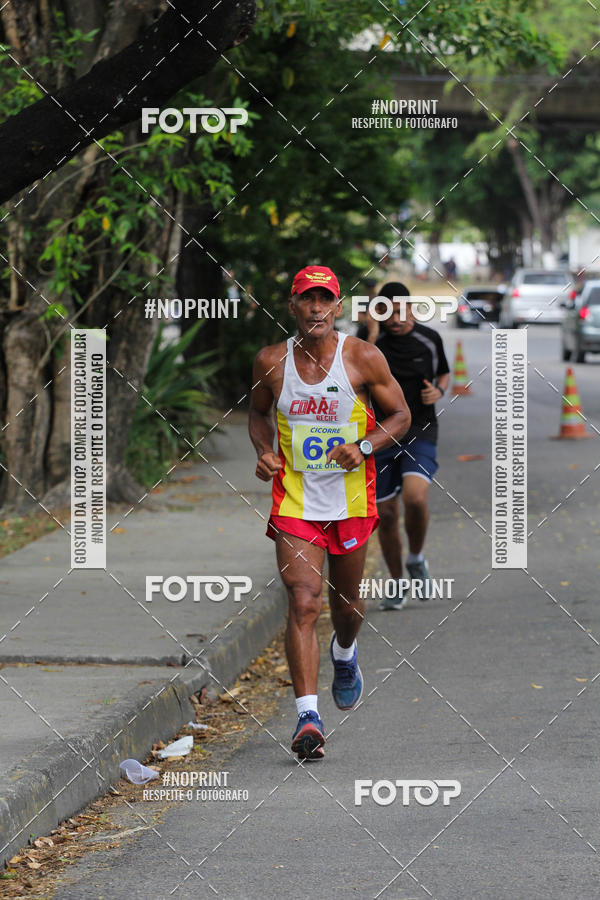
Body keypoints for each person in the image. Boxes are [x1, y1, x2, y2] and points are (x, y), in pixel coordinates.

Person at [249, 265, 410, 760]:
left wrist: (363, 445)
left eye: (325, 299)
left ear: (338, 306)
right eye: (306, 299)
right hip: (295, 500)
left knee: (346, 609)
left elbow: (400, 415)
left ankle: (345, 653)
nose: (316, 308)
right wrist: (263, 451)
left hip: (351, 501)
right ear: (292, 306)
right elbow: (257, 414)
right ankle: (307, 717)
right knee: (303, 601)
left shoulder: (362, 357)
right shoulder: (271, 362)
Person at [366, 282, 450, 610]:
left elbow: (443, 373)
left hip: (420, 430)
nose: (396, 318)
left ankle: (416, 558)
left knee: (415, 498)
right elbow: (356, 371)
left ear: (412, 308)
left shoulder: (429, 339)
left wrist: (439, 392)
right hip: (379, 435)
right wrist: (372, 333)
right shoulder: (370, 343)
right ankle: (397, 580)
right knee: (386, 514)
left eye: (401, 310)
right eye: (388, 312)